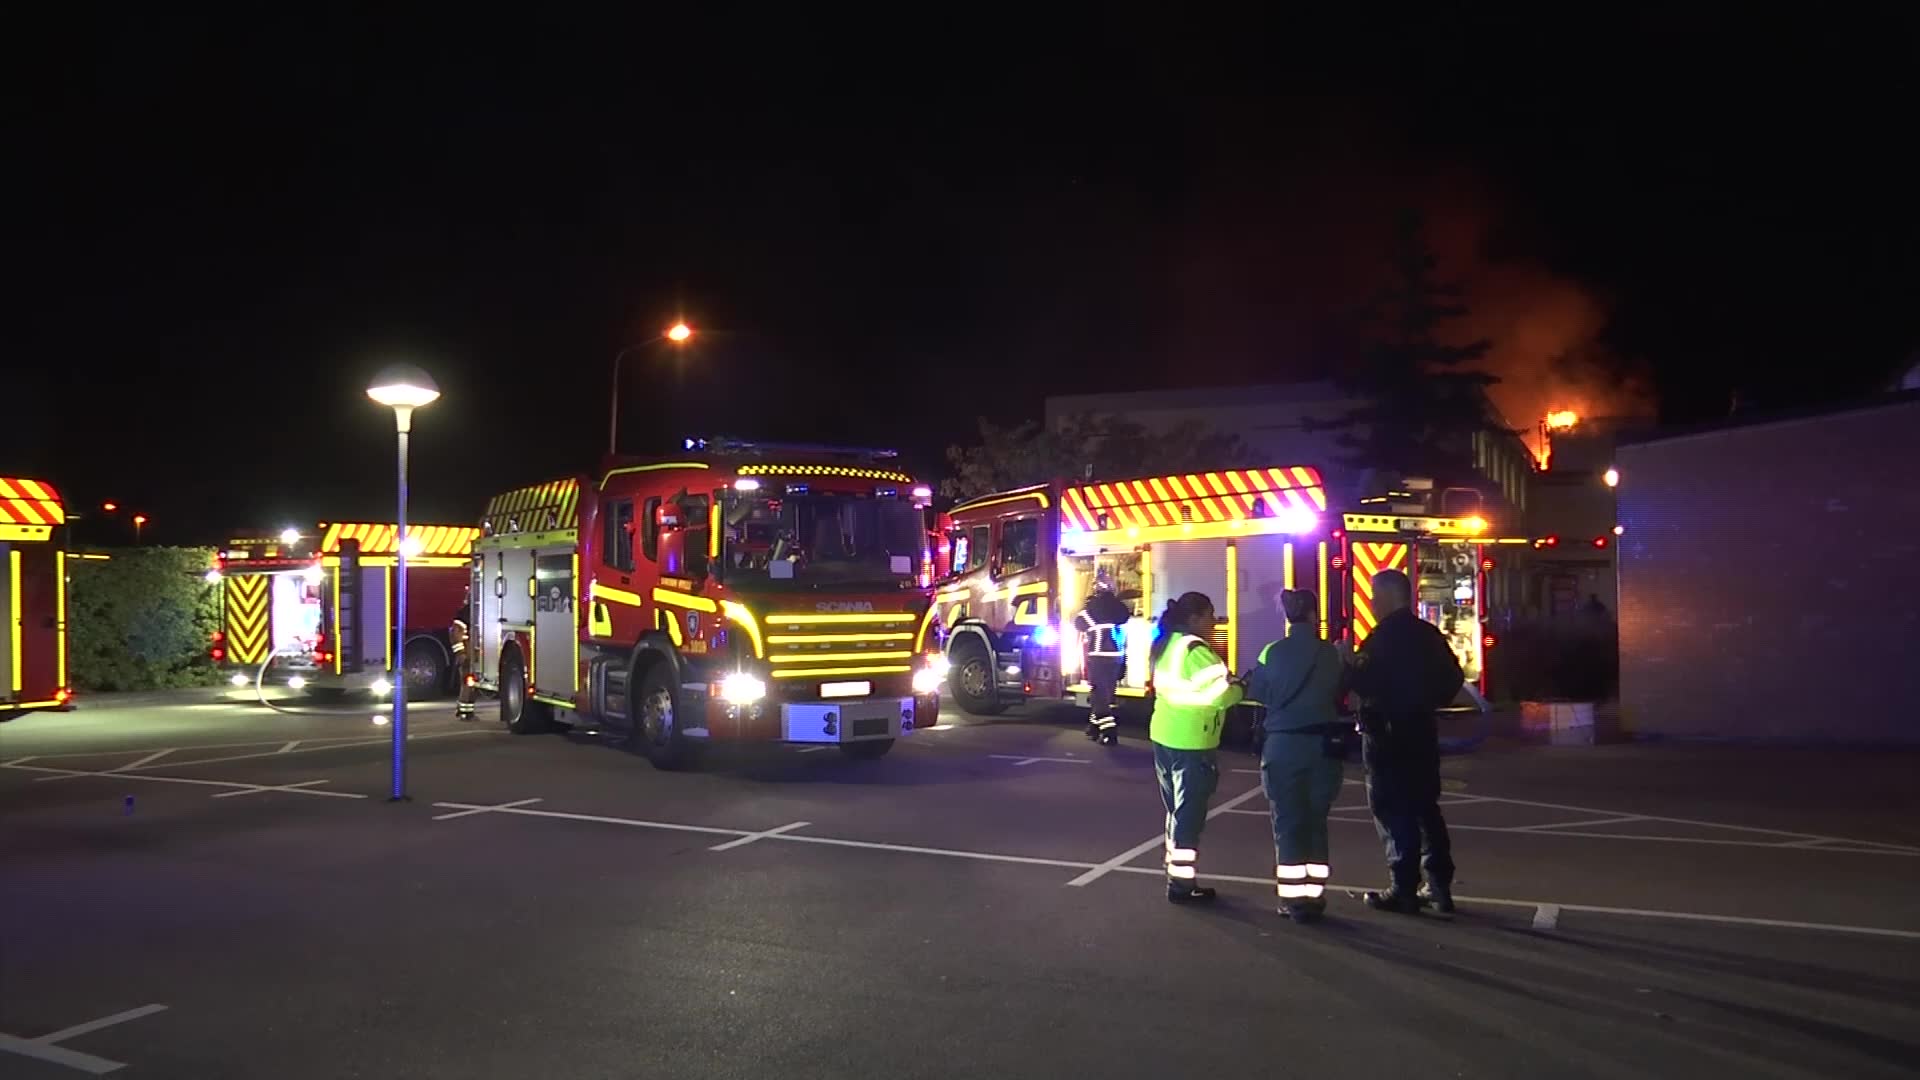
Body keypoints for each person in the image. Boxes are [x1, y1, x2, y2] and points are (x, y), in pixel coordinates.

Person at [1348, 569, 1465, 915]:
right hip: (1422, 732)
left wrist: (1348, 665)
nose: (1371, 602)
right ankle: (1439, 887)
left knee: (1392, 808)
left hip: (1386, 735)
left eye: (1373, 595)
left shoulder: (1380, 638)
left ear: (1385, 596)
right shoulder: (1427, 635)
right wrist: (1426, 701)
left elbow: (1364, 683)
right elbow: (1453, 678)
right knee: (1426, 808)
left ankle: (1403, 888)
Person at [1247, 589, 1346, 922]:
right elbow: (1342, 691)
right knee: (1317, 820)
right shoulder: (1330, 654)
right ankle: (1315, 896)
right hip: (1322, 746)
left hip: (1283, 746)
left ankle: (1292, 900)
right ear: (1313, 615)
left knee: (1288, 821)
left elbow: (1258, 693)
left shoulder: (1271, 652)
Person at [1148, 591, 1244, 904]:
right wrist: (1241, 690)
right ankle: (1182, 884)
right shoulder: (1195, 649)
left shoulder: (1168, 644)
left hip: (1165, 735)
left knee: (1176, 810)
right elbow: (1220, 695)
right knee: (1189, 815)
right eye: (1210, 614)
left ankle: (1175, 871)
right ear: (1193, 618)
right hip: (1192, 740)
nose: (1214, 620)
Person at [1076, 571, 1132, 745]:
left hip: (1099, 656)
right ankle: (1094, 727)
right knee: (1106, 693)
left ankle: (1109, 732)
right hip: (1117, 656)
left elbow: (1079, 623)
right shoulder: (1120, 607)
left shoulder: (1093, 607)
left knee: (1099, 694)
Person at [452, 585, 477, 720]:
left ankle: (465, 710)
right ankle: (464, 711)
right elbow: (456, 635)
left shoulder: (466, 613)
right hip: (467, 656)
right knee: (467, 683)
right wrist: (461, 653)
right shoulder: (464, 615)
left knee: (469, 684)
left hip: (470, 655)